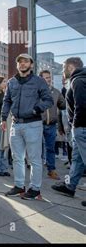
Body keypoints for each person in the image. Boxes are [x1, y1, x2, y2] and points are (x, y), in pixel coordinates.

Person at [2, 54, 53, 200]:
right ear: (17, 65)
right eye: (20, 62)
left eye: (26, 62)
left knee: (34, 159)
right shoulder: (12, 82)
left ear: (31, 64)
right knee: (17, 157)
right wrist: (3, 118)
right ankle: (19, 186)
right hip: (15, 124)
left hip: (33, 124)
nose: (22, 64)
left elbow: (48, 100)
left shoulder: (39, 81)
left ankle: (35, 189)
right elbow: (6, 101)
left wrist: (36, 109)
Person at [52, 57, 86, 207]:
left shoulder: (78, 81)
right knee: (78, 159)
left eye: (64, 67)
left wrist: (76, 126)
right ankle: (70, 186)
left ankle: (70, 186)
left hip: (82, 127)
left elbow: (82, 106)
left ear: (71, 67)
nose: (62, 70)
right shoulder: (81, 79)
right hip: (80, 127)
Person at [38, 69, 66, 180]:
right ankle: (36, 170)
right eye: (46, 78)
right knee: (37, 148)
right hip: (38, 124)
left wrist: (64, 99)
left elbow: (63, 105)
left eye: (49, 77)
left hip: (52, 125)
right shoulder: (36, 92)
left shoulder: (56, 92)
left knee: (50, 149)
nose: (48, 80)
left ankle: (51, 170)